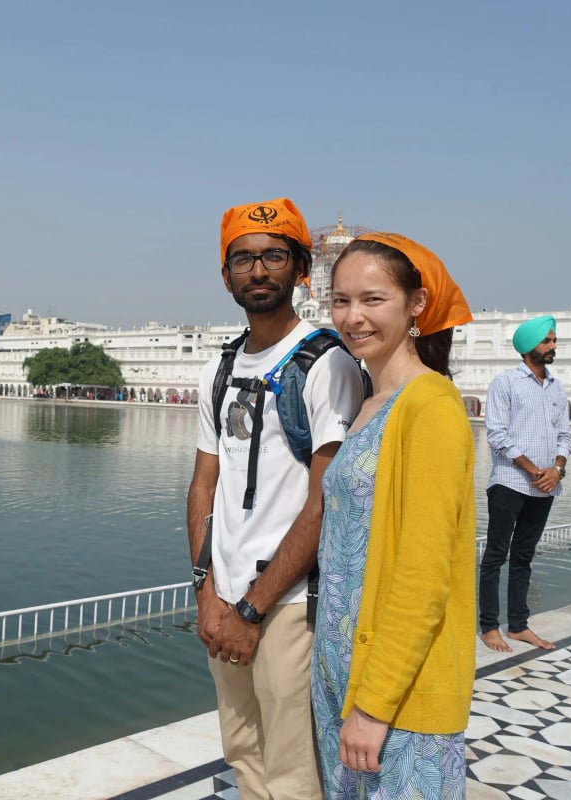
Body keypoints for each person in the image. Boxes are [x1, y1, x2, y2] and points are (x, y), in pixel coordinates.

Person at [186, 198, 365, 800]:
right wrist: (207, 588)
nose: (258, 271)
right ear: (226, 274)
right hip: (226, 595)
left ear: (300, 270)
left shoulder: (325, 363)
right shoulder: (220, 367)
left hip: (288, 604)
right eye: (244, 259)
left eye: (273, 256)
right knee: (242, 750)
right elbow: (204, 484)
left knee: (292, 768)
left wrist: (254, 609)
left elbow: (325, 501)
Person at [311, 233, 475, 799]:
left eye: (373, 299)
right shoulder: (371, 403)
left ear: (417, 306)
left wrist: (375, 706)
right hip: (345, 675)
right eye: (341, 300)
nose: (353, 317)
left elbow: (423, 574)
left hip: (397, 696)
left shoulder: (431, 406)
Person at [479, 314, 571, 652]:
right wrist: (535, 470)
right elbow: (498, 436)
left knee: (524, 556)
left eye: (553, 340)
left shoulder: (557, 387)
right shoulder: (506, 383)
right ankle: (490, 626)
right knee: (495, 555)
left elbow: (565, 434)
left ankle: (518, 625)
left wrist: (557, 469)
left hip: (545, 485)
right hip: (509, 483)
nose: (553, 346)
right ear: (527, 346)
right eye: (546, 341)